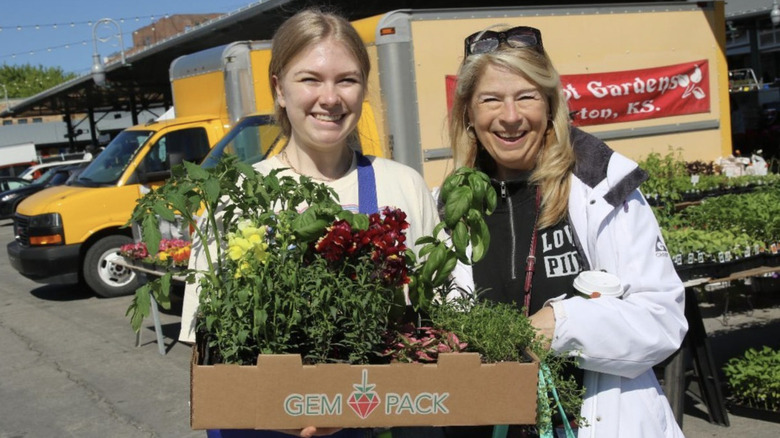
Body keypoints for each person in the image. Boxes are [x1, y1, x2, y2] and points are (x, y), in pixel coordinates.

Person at [178, 8, 440, 438]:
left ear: (364, 89)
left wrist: (354, 406)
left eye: (347, 80)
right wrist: (286, 405)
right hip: (259, 425)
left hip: (374, 419)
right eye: (310, 79)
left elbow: (432, 327)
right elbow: (204, 342)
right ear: (279, 89)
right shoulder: (234, 197)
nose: (331, 97)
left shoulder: (404, 186)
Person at [445, 25, 688, 437]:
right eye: (491, 100)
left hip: (592, 423)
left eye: (526, 96)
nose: (510, 116)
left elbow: (662, 320)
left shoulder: (602, 183)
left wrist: (561, 324)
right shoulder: (449, 206)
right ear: (468, 112)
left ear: (550, 103)